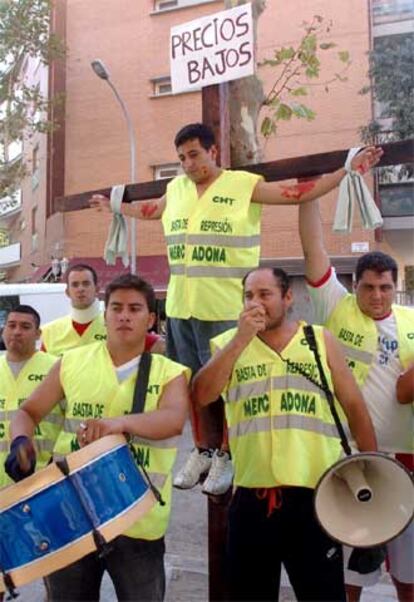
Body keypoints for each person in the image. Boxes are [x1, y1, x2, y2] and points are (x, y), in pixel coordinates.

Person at [90, 122, 382, 496]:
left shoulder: (243, 184)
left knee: (229, 386)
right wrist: (116, 207)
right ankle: (203, 449)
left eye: (194, 154)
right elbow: (150, 210)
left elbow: (296, 193)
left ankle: (227, 454)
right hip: (182, 307)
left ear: (213, 152)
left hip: (228, 308)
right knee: (189, 386)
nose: (188, 164)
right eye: (181, 158)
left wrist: (345, 171)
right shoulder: (176, 189)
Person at [191, 266, 377, 601]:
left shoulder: (320, 341)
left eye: (265, 295)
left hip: (315, 498)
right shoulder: (227, 345)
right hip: (251, 496)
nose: (256, 303)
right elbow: (202, 394)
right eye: (249, 296)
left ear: (287, 298)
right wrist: (239, 340)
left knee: (322, 594)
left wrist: (373, 474)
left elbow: (355, 408)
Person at [6, 275, 189, 601]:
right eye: (116, 307)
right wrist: (22, 442)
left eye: (135, 309)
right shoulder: (71, 362)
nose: (124, 315)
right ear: (104, 315)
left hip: (136, 517)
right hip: (70, 515)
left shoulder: (169, 372)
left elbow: (173, 421)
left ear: (150, 318)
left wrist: (117, 424)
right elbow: (28, 412)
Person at [298, 200, 414, 602]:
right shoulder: (335, 306)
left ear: (394, 286)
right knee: (349, 573)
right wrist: (310, 197)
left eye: (385, 286)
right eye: (368, 286)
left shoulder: (412, 321)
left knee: (409, 572)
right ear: (354, 284)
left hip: (406, 459)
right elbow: (313, 249)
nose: (377, 295)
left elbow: (406, 390)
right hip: (348, 460)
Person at [41, 262, 165, 356]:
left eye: (86, 283)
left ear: (97, 289)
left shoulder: (117, 323)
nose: (80, 289)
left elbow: (157, 345)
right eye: (75, 285)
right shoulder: (49, 333)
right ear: (67, 292)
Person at [0, 305, 62, 489]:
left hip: (43, 483)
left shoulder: (57, 368)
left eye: (25, 327)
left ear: (38, 334)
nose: (16, 332)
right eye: (11, 325)